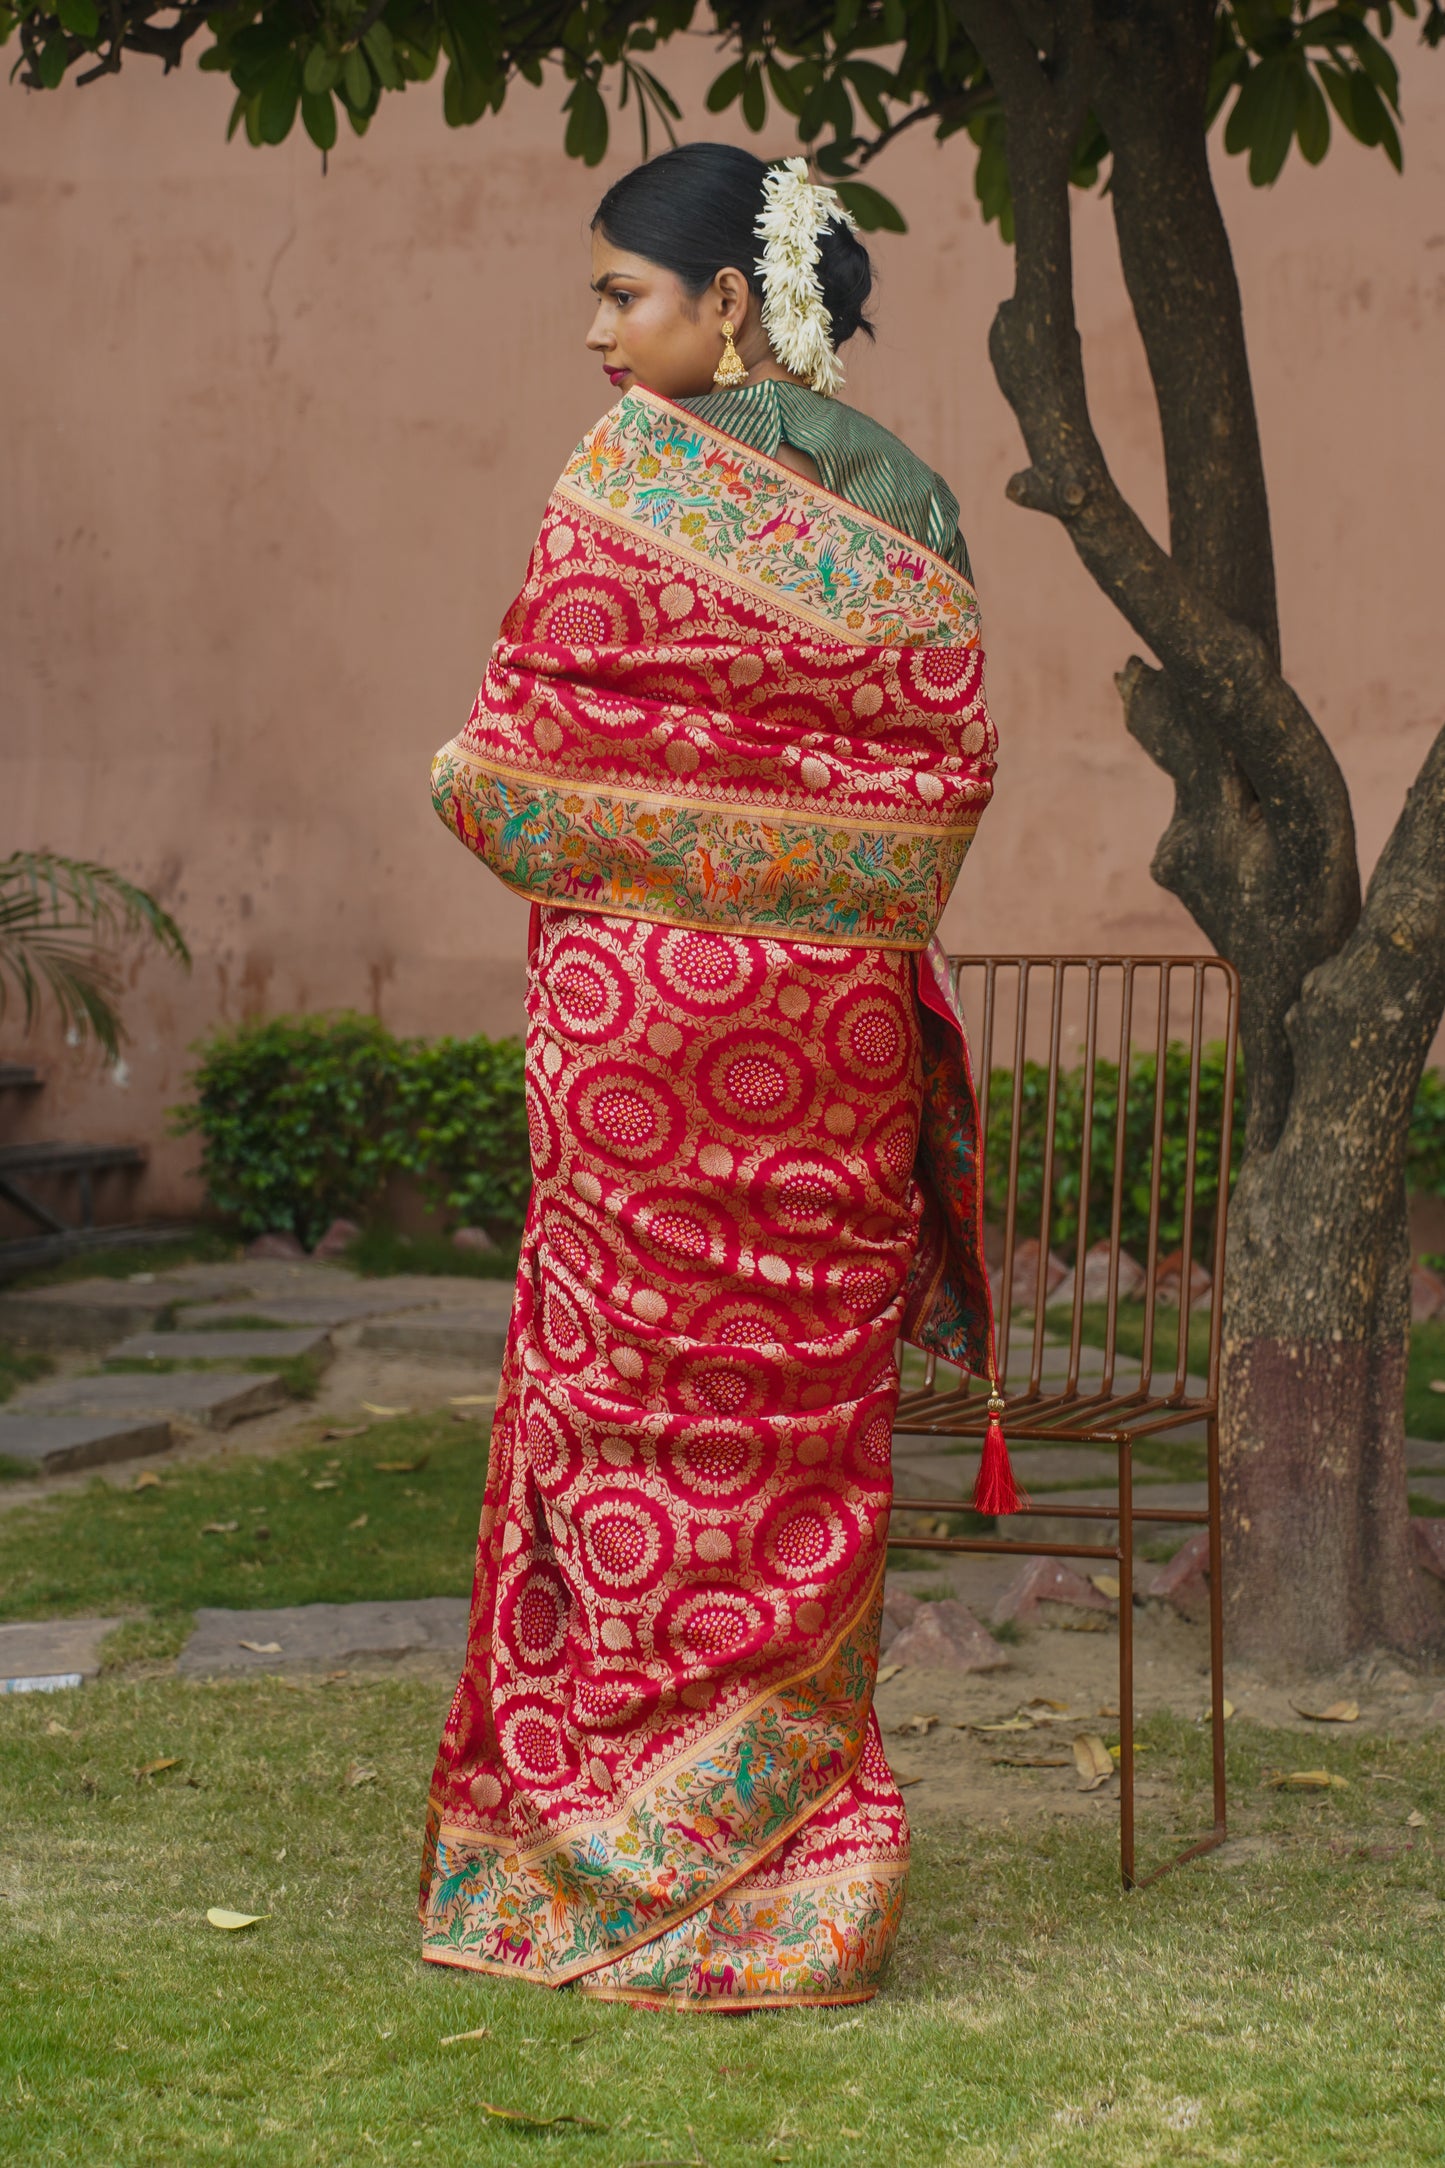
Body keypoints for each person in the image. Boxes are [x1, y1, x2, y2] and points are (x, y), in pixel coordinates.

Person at [419, 141, 1014, 2011]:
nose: (596, 332)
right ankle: (805, 1874)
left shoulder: (623, 476)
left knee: (620, 1412)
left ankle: (596, 1863)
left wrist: (486, 793)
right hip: (825, 1033)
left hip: (632, 1034)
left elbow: (510, 758)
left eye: (622, 293)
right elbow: (937, 793)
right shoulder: (912, 500)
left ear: (729, 304)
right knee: (788, 1432)